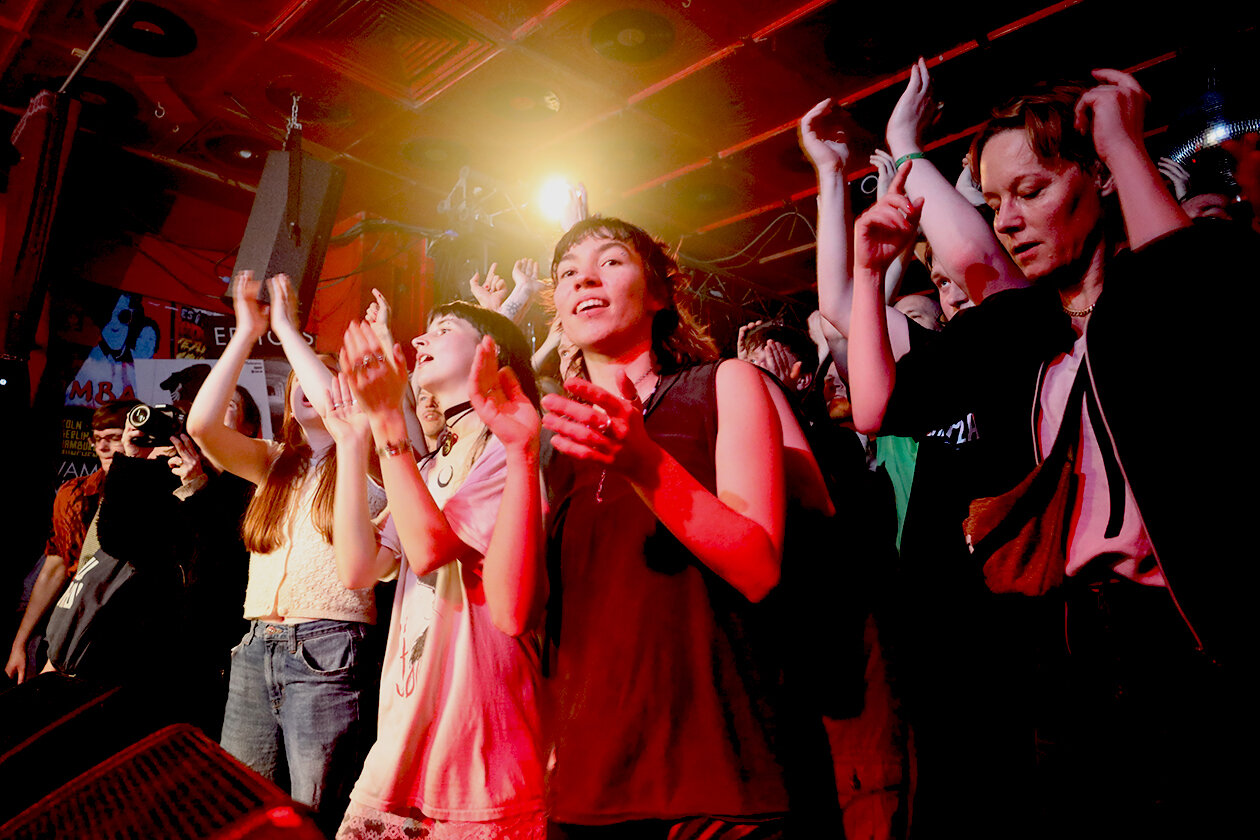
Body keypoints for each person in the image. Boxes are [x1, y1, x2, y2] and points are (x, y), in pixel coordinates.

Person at [848, 66, 1248, 836]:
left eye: (1030, 192)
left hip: (1184, 635)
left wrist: (1124, 144)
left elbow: (1192, 307)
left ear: (1097, 175)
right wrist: (869, 274)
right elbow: (875, 406)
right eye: (995, 203)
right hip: (1059, 645)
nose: (1006, 221)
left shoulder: (1163, 292)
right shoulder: (1020, 329)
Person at [542, 216, 815, 837]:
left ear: (660, 293)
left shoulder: (723, 384)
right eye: (567, 271)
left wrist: (643, 462)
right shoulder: (555, 442)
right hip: (586, 786)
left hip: (715, 776)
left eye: (610, 261)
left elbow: (757, 565)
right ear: (557, 311)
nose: (585, 275)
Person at [327, 302, 546, 840]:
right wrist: (353, 444)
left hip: (478, 728)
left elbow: (430, 550)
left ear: (492, 355)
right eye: (423, 330)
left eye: (445, 330)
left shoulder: (508, 453)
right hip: (408, 724)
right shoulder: (425, 466)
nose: (421, 340)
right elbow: (357, 567)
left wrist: (386, 422)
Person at [187, 271, 383, 834]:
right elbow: (202, 424)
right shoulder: (274, 461)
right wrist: (248, 333)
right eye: (293, 378)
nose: (303, 384)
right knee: (244, 807)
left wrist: (290, 332)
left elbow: (345, 414)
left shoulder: (364, 455)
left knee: (315, 815)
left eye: (315, 374)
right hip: (256, 647)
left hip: (327, 647)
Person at [6, 400, 134, 684]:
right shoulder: (75, 494)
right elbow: (55, 566)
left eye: (113, 438)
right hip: (73, 628)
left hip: (127, 632)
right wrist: (20, 643)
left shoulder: (160, 493)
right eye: (97, 439)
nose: (102, 447)